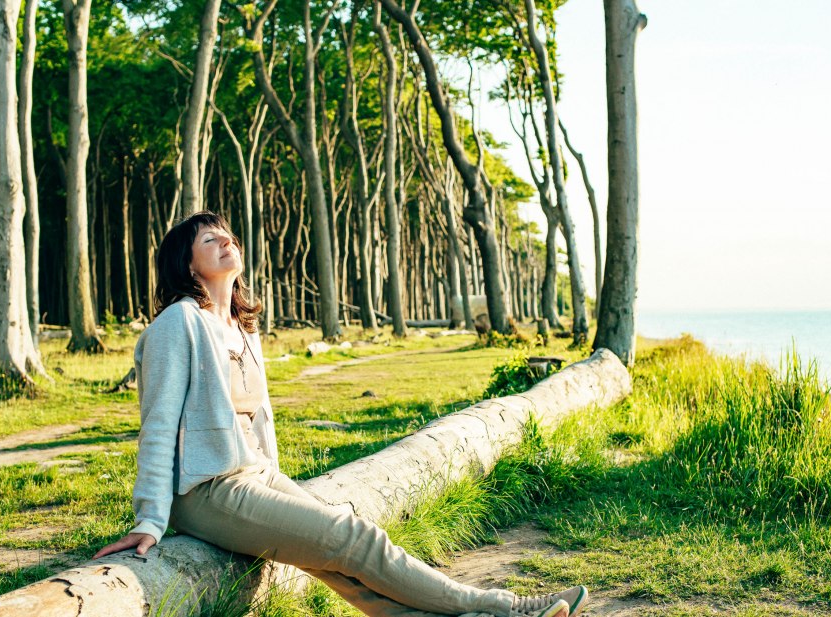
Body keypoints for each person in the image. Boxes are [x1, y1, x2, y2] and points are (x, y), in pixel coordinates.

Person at [94, 211, 588, 617]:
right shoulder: (178, 322)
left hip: (257, 476)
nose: (225, 241)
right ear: (187, 263)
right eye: (209, 238)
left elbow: (256, 424)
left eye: (227, 234)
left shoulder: (242, 327)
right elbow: (157, 426)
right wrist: (150, 519)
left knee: (333, 561)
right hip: (206, 490)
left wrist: (275, 479)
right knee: (353, 537)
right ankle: (506, 608)